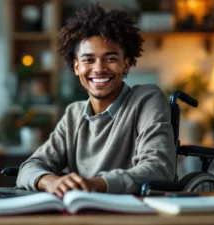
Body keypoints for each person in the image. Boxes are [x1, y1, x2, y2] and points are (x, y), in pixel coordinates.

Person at [17, 3, 176, 198]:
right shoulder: (73, 114)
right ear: (76, 67)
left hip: (133, 213)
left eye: (110, 59)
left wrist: (94, 184)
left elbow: (159, 169)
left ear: (125, 64)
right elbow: (29, 167)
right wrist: (50, 181)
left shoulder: (147, 100)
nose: (99, 68)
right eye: (88, 60)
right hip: (81, 212)